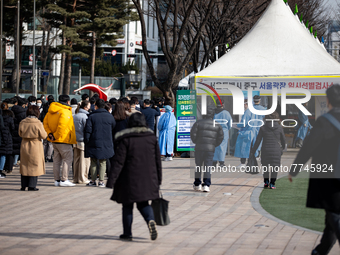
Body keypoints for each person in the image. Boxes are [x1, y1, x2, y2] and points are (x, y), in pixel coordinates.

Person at [288, 85, 340, 255]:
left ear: (328, 100)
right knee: (331, 216)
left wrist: (294, 170)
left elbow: (308, 148)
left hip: (329, 176)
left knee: (334, 212)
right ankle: (320, 251)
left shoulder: (324, 121)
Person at [106, 113, 161, 241]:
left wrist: (111, 180)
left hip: (128, 178)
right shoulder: (152, 138)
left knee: (127, 206)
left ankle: (127, 233)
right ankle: (150, 220)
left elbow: (119, 162)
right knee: (144, 203)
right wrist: (159, 179)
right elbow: (158, 161)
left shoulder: (125, 139)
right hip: (148, 178)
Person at [43, 95, 77, 187]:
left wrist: (50, 134)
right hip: (63, 139)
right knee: (68, 158)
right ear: (68, 102)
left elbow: (45, 123)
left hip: (54, 140)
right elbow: (62, 126)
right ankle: (64, 179)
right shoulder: (65, 111)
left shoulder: (50, 111)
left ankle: (57, 180)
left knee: (57, 160)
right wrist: (56, 135)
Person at [191, 107, 224, 192]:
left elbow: (193, 135)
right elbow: (220, 137)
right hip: (210, 149)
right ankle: (206, 185)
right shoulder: (217, 124)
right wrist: (213, 145)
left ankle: (197, 184)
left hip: (199, 148)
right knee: (208, 167)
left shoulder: (198, 123)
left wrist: (196, 142)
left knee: (198, 166)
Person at [84, 99, 116, 187]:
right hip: (106, 141)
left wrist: (86, 140)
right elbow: (113, 127)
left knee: (93, 161)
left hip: (94, 141)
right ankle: (101, 181)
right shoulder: (110, 116)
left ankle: (93, 180)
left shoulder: (92, 116)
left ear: (96, 106)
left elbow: (88, 130)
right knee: (103, 161)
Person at [251, 111, 286, 189]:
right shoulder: (279, 128)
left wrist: (253, 151)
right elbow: (283, 140)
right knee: (275, 168)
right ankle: (272, 183)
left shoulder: (263, 128)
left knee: (265, 167)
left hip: (265, 150)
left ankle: (266, 182)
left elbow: (258, 141)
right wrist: (282, 148)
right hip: (276, 150)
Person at [19, 105, 47, 191]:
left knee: (24, 165)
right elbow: (43, 135)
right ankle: (32, 185)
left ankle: (23, 185)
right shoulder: (38, 123)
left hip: (24, 144)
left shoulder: (22, 122)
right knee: (34, 165)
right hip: (35, 145)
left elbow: (20, 133)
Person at [73, 100, 91, 184]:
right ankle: (83, 178)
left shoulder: (74, 116)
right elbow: (86, 129)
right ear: (85, 107)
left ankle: (76, 178)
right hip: (83, 141)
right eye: (89, 106)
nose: (90, 108)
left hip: (75, 140)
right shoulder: (86, 116)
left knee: (76, 160)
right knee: (84, 161)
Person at [11, 98, 27, 168]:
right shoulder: (23, 112)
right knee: (18, 147)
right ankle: (15, 161)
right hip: (20, 131)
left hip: (12, 130)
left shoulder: (11, 110)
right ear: (23, 105)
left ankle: (11, 162)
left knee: (12, 147)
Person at [1, 102, 15, 174]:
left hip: (1, 135)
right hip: (8, 136)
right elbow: (12, 127)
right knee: (6, 153)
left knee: (2, 153)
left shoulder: (1, 115)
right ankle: (5, 168)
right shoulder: (10, 116)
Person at [41, 95, 55, 162]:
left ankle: (43, 156)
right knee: (50, 143)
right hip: (52, 125)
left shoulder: (44, 106)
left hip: (45, 125)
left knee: (45, 142)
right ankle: (49, 156)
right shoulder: (55, 106)